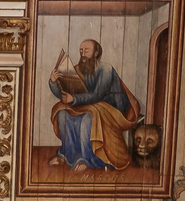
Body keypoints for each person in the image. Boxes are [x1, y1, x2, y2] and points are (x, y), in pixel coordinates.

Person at [48, 38, 140, 172]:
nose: (83, 54)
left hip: (110, 105)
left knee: (88, 118)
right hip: (86, 103)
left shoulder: (106, 69)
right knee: (62, 113)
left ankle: (88, 159)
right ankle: (67, 154)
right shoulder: (77, 69)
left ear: (96, 53)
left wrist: (73, 98)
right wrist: (53, 82)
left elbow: (98, 95)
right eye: (81, 51)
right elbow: (64, 95)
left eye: (86, 51)